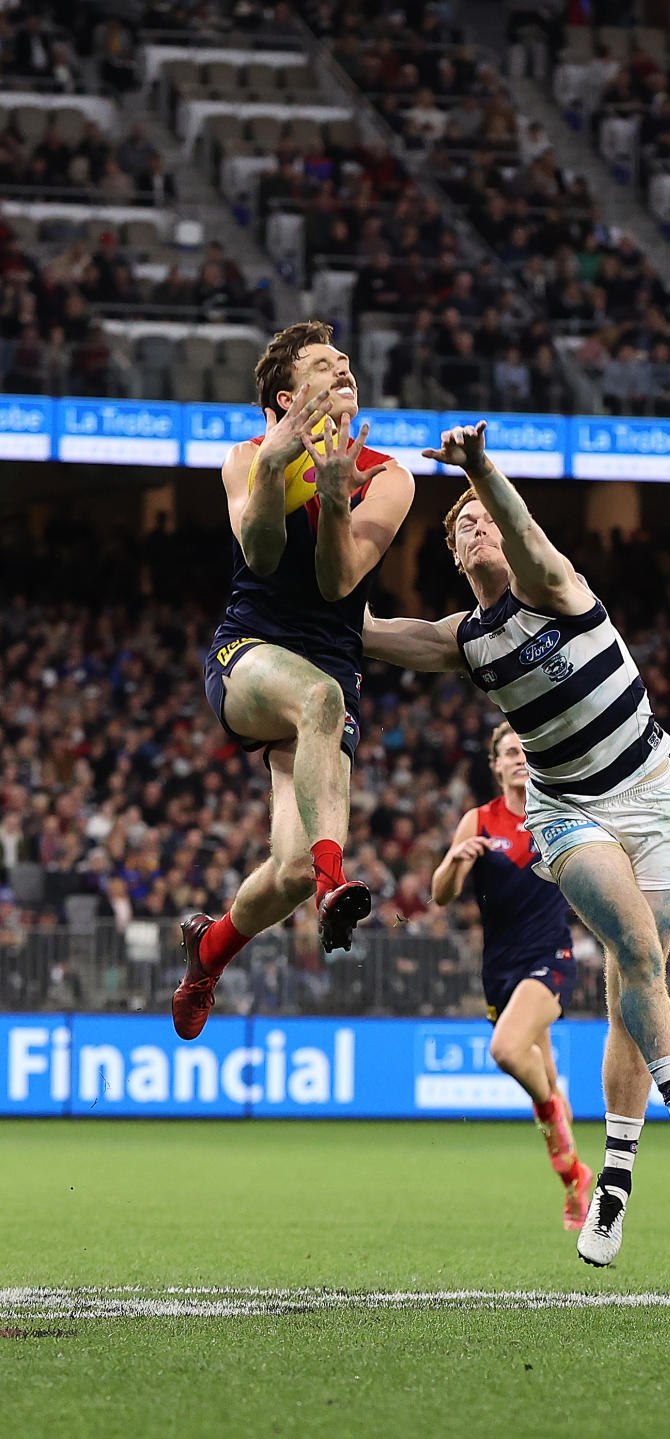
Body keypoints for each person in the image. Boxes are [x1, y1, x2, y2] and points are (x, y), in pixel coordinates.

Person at [364, 421, 670, 1267]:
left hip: (652, 797)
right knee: (635, 946)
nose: (476, 524)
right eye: (461, 523)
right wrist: (309, 586)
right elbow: (369, 632)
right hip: (569, 808)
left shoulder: (554, 585)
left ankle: (612, 1188)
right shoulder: (466, 642)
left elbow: (531, 538)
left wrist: (481, 470)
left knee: (633, 979)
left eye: (484, 516)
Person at [172, 320, 414, 1040]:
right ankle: (336, 881)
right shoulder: (246, 455)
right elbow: (264, 552)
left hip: (331, 667)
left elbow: (340, 578)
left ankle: (208, 952)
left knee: (287, 870)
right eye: (323, 363)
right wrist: (277, 468)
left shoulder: (388, 475)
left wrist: (338, 497)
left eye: (345, 361)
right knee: (317, 698)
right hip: (250, 654)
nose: (344, 368)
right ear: (286, 396)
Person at [431, 721, 592, 1232]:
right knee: (541, 1072)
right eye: (508, 752)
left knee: (506, 1051)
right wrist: (456, 862)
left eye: (525, 750)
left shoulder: (558, 815)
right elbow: (440, 895)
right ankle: (573, 1185)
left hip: (551, 957)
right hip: (499, 969)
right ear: (496, 766)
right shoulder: (478, 820)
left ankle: (568, 1158)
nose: (519, 757)